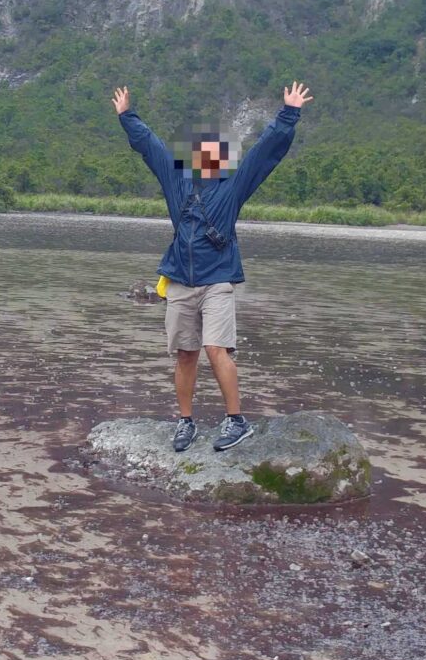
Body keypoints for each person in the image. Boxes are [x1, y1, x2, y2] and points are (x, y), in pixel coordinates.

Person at [113, 82, 312, 453]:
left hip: (218, 277)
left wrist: (289, 113)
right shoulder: (176, 180)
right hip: (179, 280)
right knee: (185, 353)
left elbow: (265, 152)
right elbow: (150, 146)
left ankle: (236, 420)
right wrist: (127, 117)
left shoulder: (233, 185)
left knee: (215, 348)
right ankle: (185, 423)